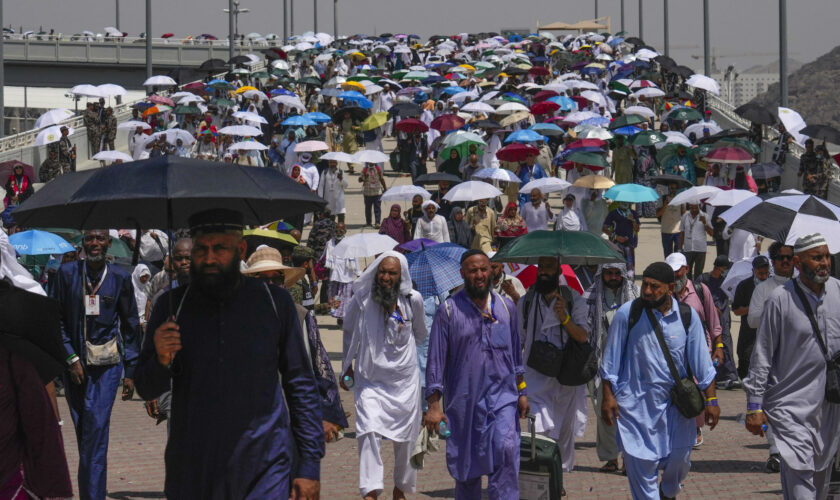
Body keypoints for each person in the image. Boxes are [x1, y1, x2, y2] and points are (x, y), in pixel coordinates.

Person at [134, 208, 324, 499]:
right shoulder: (172, 307)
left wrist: (309, 465)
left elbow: (300, 384)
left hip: (265, 465)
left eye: (219, 249)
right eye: (201, 249)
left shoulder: (274, 304)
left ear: (240, 249)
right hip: (194, 470)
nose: (208, 258)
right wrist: (161, 358)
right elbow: (147, 386)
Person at [600, 262, 719, 500]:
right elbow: (609, 362)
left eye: (655, 287)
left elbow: (702, 364)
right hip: (635, 411)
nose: (647, 291)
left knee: (680, 460)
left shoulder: (687, 317)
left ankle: (668, 492)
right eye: (645, 285)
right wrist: (608, 397)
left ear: (669, 288)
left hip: (676, 411)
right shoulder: (628, 314)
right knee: (641, 468)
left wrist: (712, 400)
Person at [425, 250, 530, 499]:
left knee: (506, 451)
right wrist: (433, 406)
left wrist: (522, 391)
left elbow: (516, 356)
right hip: (464, 404)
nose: (480, 275)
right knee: (467, 468)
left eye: (484, 269)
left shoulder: (506, 308)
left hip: (503, 400)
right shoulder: (448, 312)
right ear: (463, 274)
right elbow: (436, 362)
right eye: (473, 270)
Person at [744, 233, 840, 499]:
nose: (824, 263)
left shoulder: (838, 292)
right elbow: (762, 356)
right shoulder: (780, 299)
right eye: (817, 257)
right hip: (790, 409)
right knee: (801, 486)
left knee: (820, 485)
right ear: (798, 263)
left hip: (829, 408)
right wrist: (754, 405)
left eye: (827, 257)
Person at [50, 229, 141, 500]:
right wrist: (71, 358)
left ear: (109, 242)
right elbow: (55, 320)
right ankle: (91, 492)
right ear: (83, 242)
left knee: (97, 430)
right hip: (74, 367)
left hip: (107, 367)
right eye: (90, 238)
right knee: (85, 435)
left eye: (100, 238)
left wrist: (131, 370)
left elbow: (131, 325)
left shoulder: (120, 277)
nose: (94, 244)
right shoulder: (67, 275)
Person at [341, 252, 426, 500]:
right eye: (383, 272)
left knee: (407, 440)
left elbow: (420, 334)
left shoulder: (413, 300)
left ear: (401, 276)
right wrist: (347, 364)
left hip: (405, 383)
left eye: (392, 273)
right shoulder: (362, 300)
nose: (386, 277)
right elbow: (348, 331)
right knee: (367, 432)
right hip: (370, 381)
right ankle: (371, 491)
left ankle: (400, 489)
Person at [243, 246, 348, 442]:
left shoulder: (300, 315)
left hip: (293, 416)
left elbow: (320, 366)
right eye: (264, 279)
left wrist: (327, 414)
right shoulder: (238, 319)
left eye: (277, 278)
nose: (272, 284)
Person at [518, 256, 589, 476]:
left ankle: (558, 480)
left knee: (563, 437)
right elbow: (518, 341)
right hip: (536, 378)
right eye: (541, 267)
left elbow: (583, 336)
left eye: (549, 267)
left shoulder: (574, 299)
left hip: (565, 379)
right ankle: (543, 478)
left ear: (558, 270)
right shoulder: (527, 301)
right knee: (537, 432)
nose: (543, 272)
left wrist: (564, 318)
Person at [584, 262, 638, 473]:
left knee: (628, 412)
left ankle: (629, 459)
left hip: (628, 363)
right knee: (603, 411)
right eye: (609, 273)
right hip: (599, 361)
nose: (613, 277)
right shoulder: (590, 296)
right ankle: (610, 458)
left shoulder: (634, 294)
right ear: (602, 274)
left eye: (617, 273)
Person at [696, 255, 740, 389]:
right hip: (706, 318)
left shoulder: (725, 281)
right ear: (719, 267)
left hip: (721, 318)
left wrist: (719, 310)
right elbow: (697, 298)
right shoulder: (703, 279)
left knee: (725, 343)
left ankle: (730, 375)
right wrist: (710, 308)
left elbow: (725, 300)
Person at [747, 242, 795, 335]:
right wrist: (774, 310)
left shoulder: (801, 287)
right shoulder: (762, 288)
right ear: (773, 262)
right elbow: (752, 321)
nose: (785, 260)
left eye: (789, 257)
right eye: (781, 257)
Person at [324, 222, 360, 326]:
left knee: (347, 299)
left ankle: (344, 319)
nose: (338, 232)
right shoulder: (330, 243)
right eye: (337, 230)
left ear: (345, 231)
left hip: (347, 276)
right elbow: (324, 258)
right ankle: (338, 317)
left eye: (341, 230)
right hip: (335, 276)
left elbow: (355, 259)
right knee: (335, 298)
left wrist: (358, 273)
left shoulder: (350, 243)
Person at [603, 202, 641, 279]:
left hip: (629, 245)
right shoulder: (613, 213)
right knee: (617, 266)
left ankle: (630, 284)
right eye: (622, 200)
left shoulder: (633, 213)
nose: (625, 203)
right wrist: (616, 237)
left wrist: (633, 220)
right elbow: (604, 228)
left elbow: (637, 229)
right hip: (616, 245)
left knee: (630, 268)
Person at [679, 204, 713, 278]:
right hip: (688, 249)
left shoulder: (705, 216)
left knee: (699, 273)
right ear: (689, 207)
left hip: (700, 249)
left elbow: (711, 233)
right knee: (687, 273)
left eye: (696, 208)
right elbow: (682, 232)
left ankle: (697, 288)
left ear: (700, 207)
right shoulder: (685, 216)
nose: (694, 210)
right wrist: (679, 248)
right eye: (692, 208)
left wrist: (705, 223)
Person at [656, 183, 684, 258]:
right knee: (668, 256)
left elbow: (683, 214)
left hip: (678, 231)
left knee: (678, 255)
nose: (673, 190)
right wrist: (665, 206)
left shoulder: (680, 199)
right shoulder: (663, 199)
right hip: (666, 231)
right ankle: (669, 269)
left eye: (674, 188)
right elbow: (658, 214)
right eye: (671, 188)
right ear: (668, 188)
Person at [318, 159, 348, 223]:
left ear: (337, 163)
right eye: (330, 162)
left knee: (341, 218)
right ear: (328, 163)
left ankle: (340, 231)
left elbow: (346, 185)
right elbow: (321, 186)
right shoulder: (325, 172)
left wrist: (341, 179)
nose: (332, 164)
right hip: (328, 199)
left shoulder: (341, 172)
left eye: (334, 162)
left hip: (339, 200)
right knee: (330, 220)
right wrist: (320, 199)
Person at [359, 162, 387, 228]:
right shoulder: (365, 169)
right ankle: (368, 223)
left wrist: (385, 188)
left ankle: (377, 222)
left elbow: (382, 179)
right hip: (367, 193)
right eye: (370, 161)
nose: (371, 163)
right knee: (368, 209)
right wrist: (364, 177)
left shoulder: (378, 169)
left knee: (377, 208)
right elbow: (359, 180)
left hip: (377, 193)